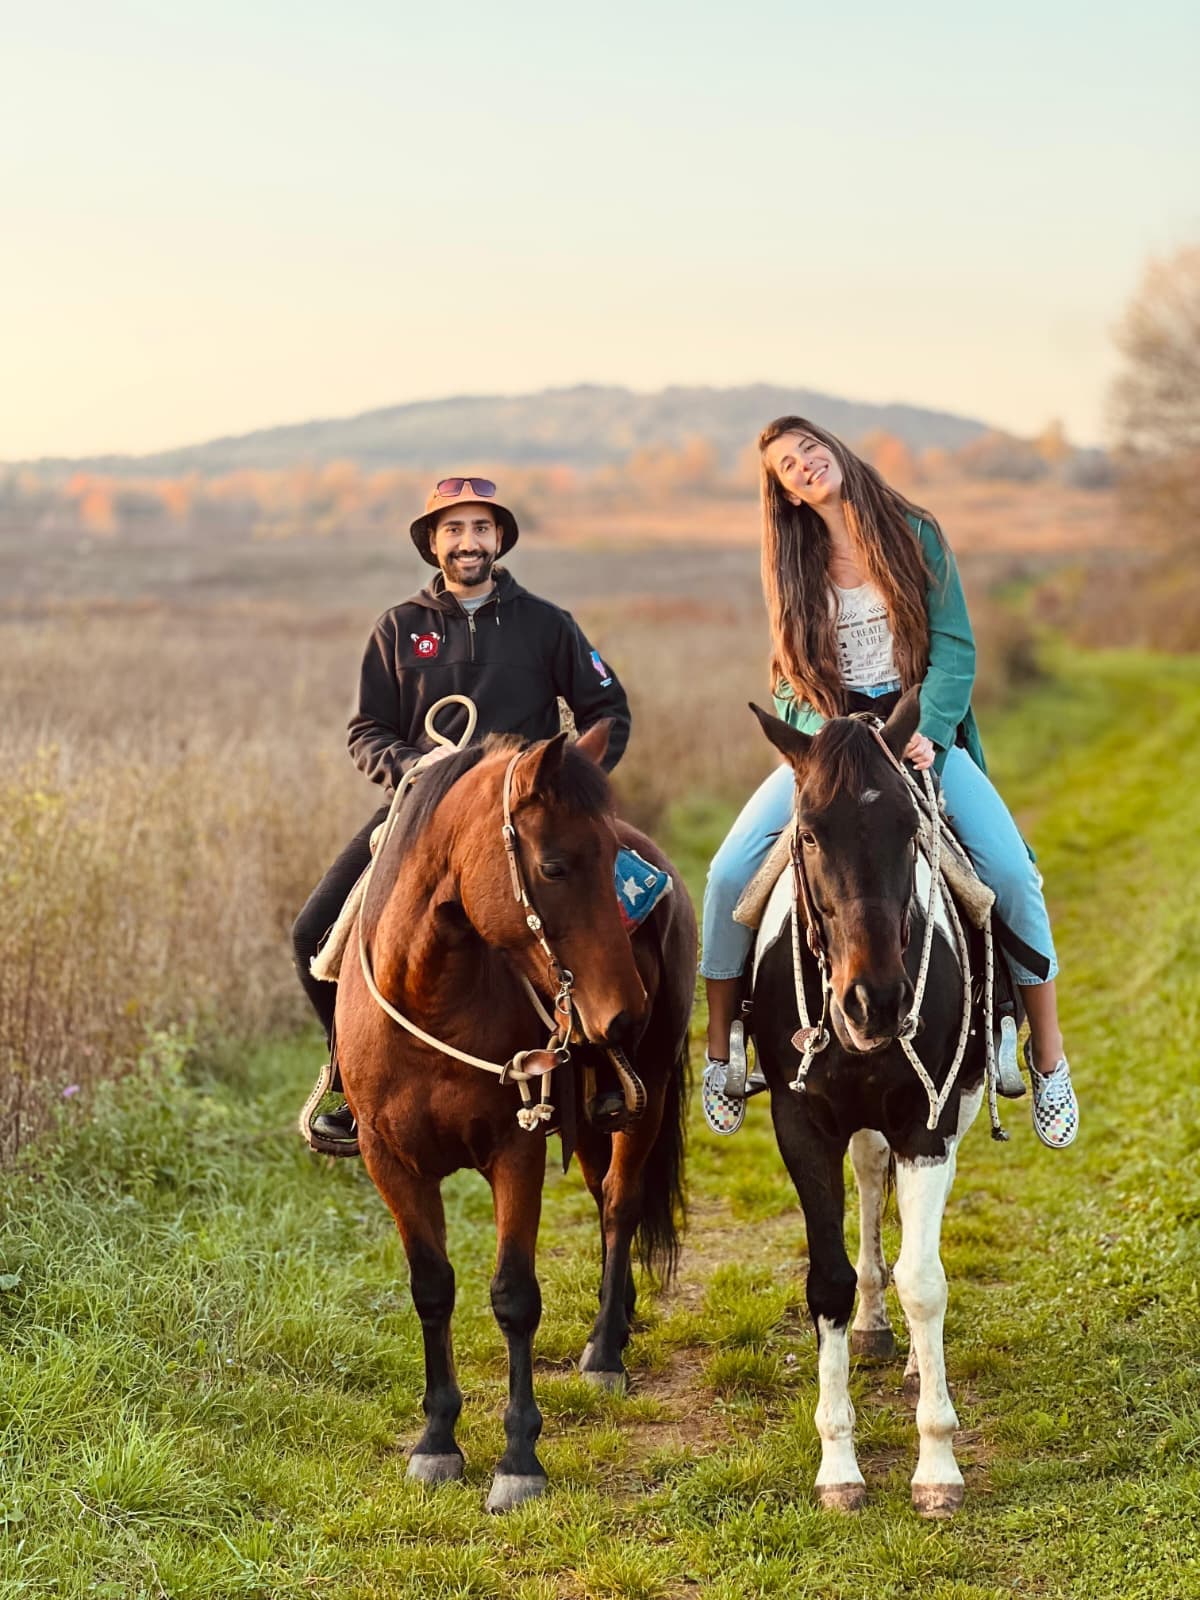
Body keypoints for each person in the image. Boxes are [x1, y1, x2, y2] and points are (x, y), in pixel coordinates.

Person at [700, 417, 1079, 1150]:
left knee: (1009, 871)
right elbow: (784, 681)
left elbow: (957, 648)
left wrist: (929, 730)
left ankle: (1048, 1056)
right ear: (782, 492)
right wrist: (819, 742)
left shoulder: (916, 533)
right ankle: (723, 1052)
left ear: (834, 450)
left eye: (810, 448)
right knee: (726, 875)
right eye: (788, 465)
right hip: (831, 750)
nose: (805, 464)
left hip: (914, 734)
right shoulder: (790, 563)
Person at [293, 475, 631, 1150]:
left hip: (528, 826)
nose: (468, 542)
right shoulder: (398, 628)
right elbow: (366, 730)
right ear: (432, 543)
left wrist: (563, 790)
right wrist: (409, 769)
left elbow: (607, 712)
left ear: (500, 538)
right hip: (421, 821)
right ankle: (350, 1081)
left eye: (480, 528)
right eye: (453, 529)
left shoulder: (547, 624)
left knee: (629, 920)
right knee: (312, 936)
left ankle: (608, 1073)